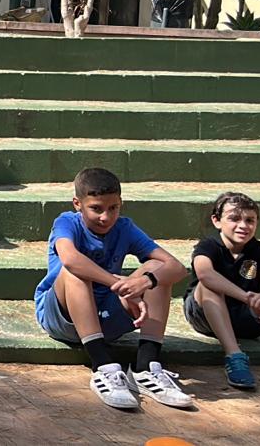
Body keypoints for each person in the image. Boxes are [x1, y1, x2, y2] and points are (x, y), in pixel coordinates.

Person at [31, 167, 194, 410]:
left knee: (156, 269)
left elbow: (177, 268)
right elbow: (70, 259)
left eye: (113, 208)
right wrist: (118, 284)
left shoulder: (125, 227)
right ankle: (103, 366)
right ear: (77, 204)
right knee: (74, 272)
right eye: (96, 208)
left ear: (121, 203)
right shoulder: (65, 222)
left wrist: (144, 282)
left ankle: (146, 367)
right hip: (62, 318)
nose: (106, 217)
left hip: (107, 316)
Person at [183, 191, 260, 389]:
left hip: (247, 316)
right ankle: (234, 356)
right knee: (208, 286)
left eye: (250, 220)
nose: (243, 225)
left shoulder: (258, 249)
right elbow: (205, 274)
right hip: (206, 316)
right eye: (234, 219)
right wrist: (247, 298)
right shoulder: (208, 246)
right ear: (217, 221)